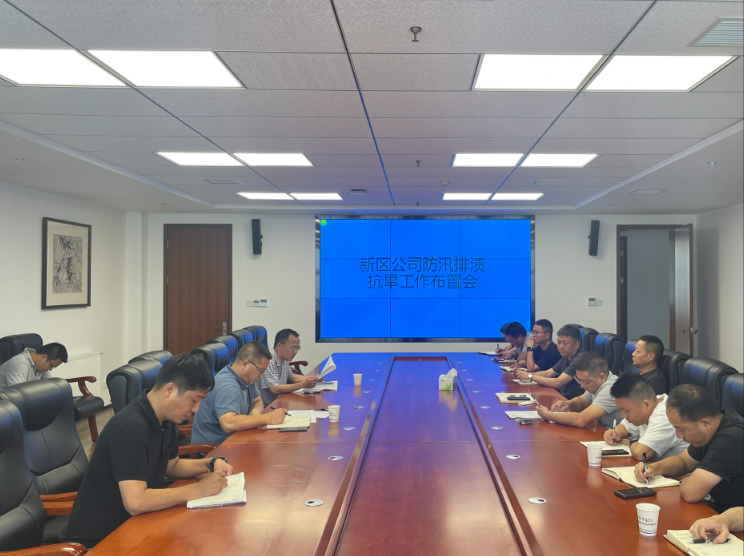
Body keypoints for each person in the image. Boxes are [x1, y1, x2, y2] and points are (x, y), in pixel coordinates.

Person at [60, 353, 233, 548]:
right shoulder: (131, 427)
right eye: (194, 400)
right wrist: (198, 489)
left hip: (135, 525)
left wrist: (210, 463)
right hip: (98, 542)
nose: (196, 409)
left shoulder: (166, 418)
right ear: (170, 390)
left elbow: (172, 466)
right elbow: (136, 502)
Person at [635, 385, 743, 513]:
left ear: (705, 423)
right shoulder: (710, 432)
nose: (678, 435)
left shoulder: (730, 439)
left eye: (681, 429)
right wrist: (652, 468)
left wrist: (685, 481)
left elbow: (691, 493)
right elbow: (684, 462)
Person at [192, 341, 288, 445]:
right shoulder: (227, 386)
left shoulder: (246, 378)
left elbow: (257, 400)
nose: (262, 375)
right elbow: (228, 424)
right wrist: (268, 418)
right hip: (215, 448)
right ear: (245, 364)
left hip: (236, 439)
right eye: (261, 370)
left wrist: (253, 418)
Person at [604, 373, 688, 461]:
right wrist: (616, 433)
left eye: (626, 410)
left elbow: (641, 454)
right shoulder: (652, 402)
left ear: (646, 405)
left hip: (677, 470)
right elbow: (623, 427)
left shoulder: (664, 415)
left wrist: (631, 442)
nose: (623, 416)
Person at [536, 352, 622, 428]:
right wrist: (569, 404)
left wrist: (547, 415)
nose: (581, 386)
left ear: (602, 377)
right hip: (600, 430)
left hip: (613, 436)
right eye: (579, 380)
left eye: (584, 381)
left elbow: (581, 420)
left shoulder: (610, 389)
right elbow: (582, 402)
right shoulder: (597, 382)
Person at [514, 324, 585, 399]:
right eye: (559, 342)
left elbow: (558, 383)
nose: (561, 346)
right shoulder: (566, 357)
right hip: (562, 397)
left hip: (573, 401)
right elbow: (548, 373)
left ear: (577, 344)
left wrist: (530, 376)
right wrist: (523, 374)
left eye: (565, 343)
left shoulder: (581, 359)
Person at [257, 329, 318, 405]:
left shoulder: (284, 358)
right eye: (293, 348)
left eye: (297, 348)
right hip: (269, 405)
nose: (295, 352)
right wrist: (303, 384)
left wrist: (313, 379)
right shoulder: (269, 360)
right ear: (279, 346)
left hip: (282, 400)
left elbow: (292, 377)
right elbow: (274, 389)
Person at [0, 342, 67, 387]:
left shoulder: (39, 365)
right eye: (52, 366)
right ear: (43, 357)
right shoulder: (19, 364)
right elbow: (18, 395)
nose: (50, 369)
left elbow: (51, 385)